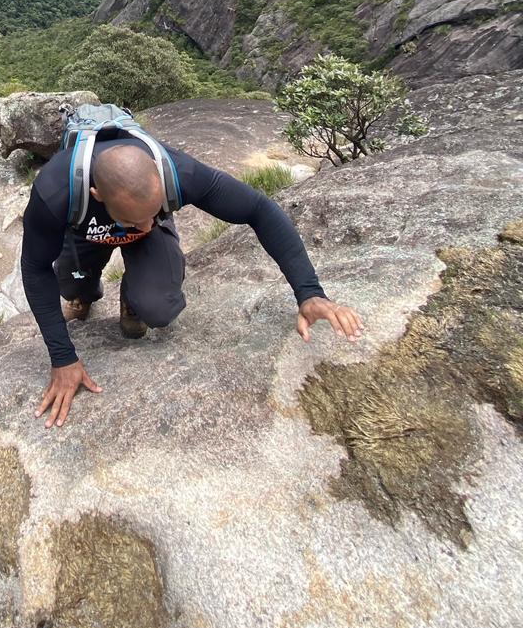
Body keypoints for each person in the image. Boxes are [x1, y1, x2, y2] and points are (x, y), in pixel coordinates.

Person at [20, 134, 363, 429]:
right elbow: (36, 269)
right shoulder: (57, 192)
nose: (143, 225)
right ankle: (84, 293)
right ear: (96, 195)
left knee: (156, 306)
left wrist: (309, 293)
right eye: (132, 218)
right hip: (87, 232)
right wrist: (63, 358)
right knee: (72, 286)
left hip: (135, 231)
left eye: (153, 212)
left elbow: (259, 210)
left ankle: (133, 292)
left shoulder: (179, 173)